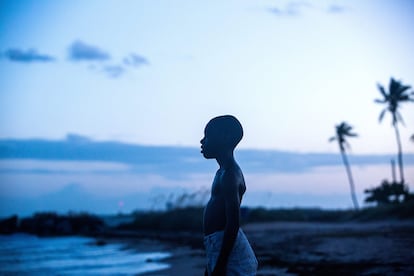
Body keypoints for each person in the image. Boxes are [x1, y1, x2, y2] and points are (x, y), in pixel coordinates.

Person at [200, 115, 258, 276]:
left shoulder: (230, 175)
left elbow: (232, 224)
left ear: (225, 138)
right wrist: (212, 263)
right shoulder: (222, 173)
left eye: (207, 136)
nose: (202, 141)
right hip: (219, 247)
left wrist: (220, 265)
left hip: (232, 255)